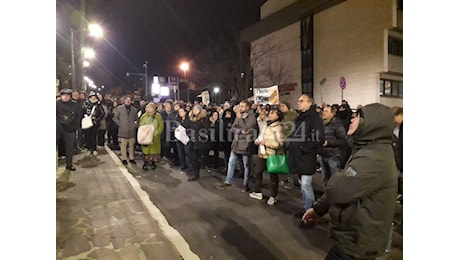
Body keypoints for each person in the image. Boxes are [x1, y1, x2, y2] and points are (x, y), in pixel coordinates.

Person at [302, 103, 398, 259]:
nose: (352, 120)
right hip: (350, 240)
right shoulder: (367, 149)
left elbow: (336, 189)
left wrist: (339, 178)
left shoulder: (373, 157)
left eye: (359, 117)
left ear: (373, 124)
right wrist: (318, 209)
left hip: (358, 244)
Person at [288, 94, 325, 219]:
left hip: (306, 157)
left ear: (309, 103)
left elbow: (318, 138)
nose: (299, 103)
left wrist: (304, 148)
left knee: (306, 184)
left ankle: (310, 211)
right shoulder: (300, 117)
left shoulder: (313, 118)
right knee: (302, 184)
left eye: (302, 101)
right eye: (298, 101)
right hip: (298, 156)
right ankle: (307, 207)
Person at [249, 105, 285, 205]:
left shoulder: (279, 127)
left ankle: (273, 196)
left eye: (273, 113)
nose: (269, 114)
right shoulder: (267, 125)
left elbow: (280, 144)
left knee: (273, 176)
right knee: (257, 171)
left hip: (272, 155)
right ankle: (258, 191)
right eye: (270, 112)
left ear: (278, 116)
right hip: (262, 154)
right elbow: (261, 135)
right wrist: (258, 141)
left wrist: (267, 143)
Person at [217, 100, 257, 191]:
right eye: (240, 106)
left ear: (248, 107)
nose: (240, 108)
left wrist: (240, 119)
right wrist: (240, 131)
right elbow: (233, 128)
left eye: (242, 106)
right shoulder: (239, 116)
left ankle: (245, 184)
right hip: (236, 144)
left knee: (246, 165)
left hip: (246, 144)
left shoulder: (251, 117)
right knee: (231, 163)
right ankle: (228, 182)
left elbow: (246, 129)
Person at [317, 105, 347, 183]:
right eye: (323, 111)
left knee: (336, 180)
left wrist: (328, 143)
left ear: (332, 114)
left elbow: (343, 140)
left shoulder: (337, 124)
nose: (323, 113)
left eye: (326, 111)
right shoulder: (321, 124)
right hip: (322, 155)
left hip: (333, 156)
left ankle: (338, 194)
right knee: (325, 179)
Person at [56, 89, 81, 171]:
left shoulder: (75, 105)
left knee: (69, 148)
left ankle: (69, 164)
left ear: (70, 96)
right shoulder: (56, 104)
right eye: (63, 95)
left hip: (70, 129)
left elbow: (78, 116)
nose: (65, 97)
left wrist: (74, 126)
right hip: (58, 128)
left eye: (67, 95)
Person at [183, 105, 210, 181]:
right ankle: (196, 174)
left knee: (198, 158)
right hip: (191, 141)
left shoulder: (203, 119)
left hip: (200, 141)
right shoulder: (190, 119)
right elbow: (186, 127)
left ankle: (199, 170)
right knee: (193, 158)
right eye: (194, 109)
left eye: (197, 110)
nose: (195, 111)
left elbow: (207, 129)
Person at [113, 96, 139, 165]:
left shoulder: (134, 109)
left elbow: (137, 119)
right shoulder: (119, 108)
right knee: (123, 145)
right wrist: (120, 124)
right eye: (127, 99)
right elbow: (115, 118)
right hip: (123, 130)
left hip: (131, 130)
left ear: (131, 101)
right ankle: (124, 158)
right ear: (124, 101)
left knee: (131, 145)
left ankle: (131, 158)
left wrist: (135, 125)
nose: (128, 101)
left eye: (129, 100)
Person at [138, 102, 164, 170]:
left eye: (150, 107)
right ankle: (146, 163)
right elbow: (140, 125)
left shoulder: (158, 116)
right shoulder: (143, 116)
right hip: (145, 137)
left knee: (154, 151)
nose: (148, 109)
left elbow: (161, 125)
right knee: (146, 150)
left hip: (154, 137)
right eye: (147, 107)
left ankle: (153, 162)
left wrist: (157, 133)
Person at [279, 101, 298, 189]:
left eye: (283, 106)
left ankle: (291, 180)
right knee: (286, 160)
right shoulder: (282, 116)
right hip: (284, 140)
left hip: (291, 140)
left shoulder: (293, 115)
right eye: (280, 106)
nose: (281, 108)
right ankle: (288, 178)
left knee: (291, 161)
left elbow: (292, 128)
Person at [219, 105, 236, 173]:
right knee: (226, 156)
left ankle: (232, 169)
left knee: (233, 156)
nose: (228, 115)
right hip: (225, 141)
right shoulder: (223, 122)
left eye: (229, 113)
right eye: (226, 113)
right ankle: (227, 167)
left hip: (232, 141)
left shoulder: (233, 121)